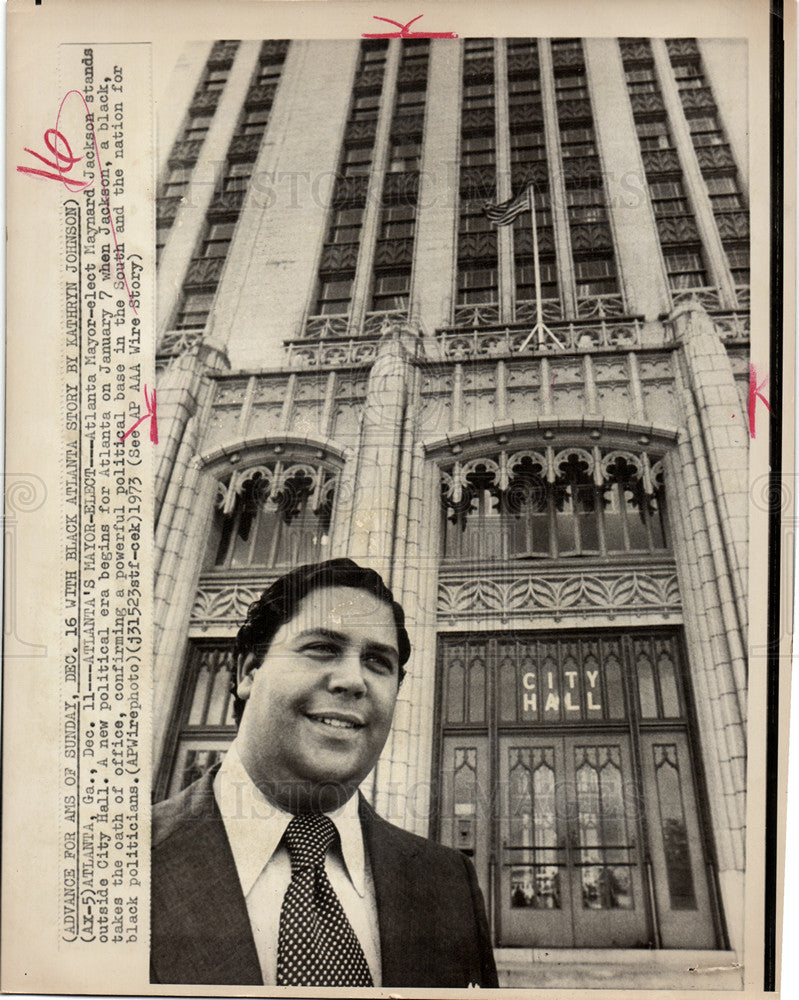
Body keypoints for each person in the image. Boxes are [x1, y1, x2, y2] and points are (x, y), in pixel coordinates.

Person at [151, 558, 498, 988]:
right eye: (322, 648)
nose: (354, 680)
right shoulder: (120, 862)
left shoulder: (449, 885)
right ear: (247, 672)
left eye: (377, 661)